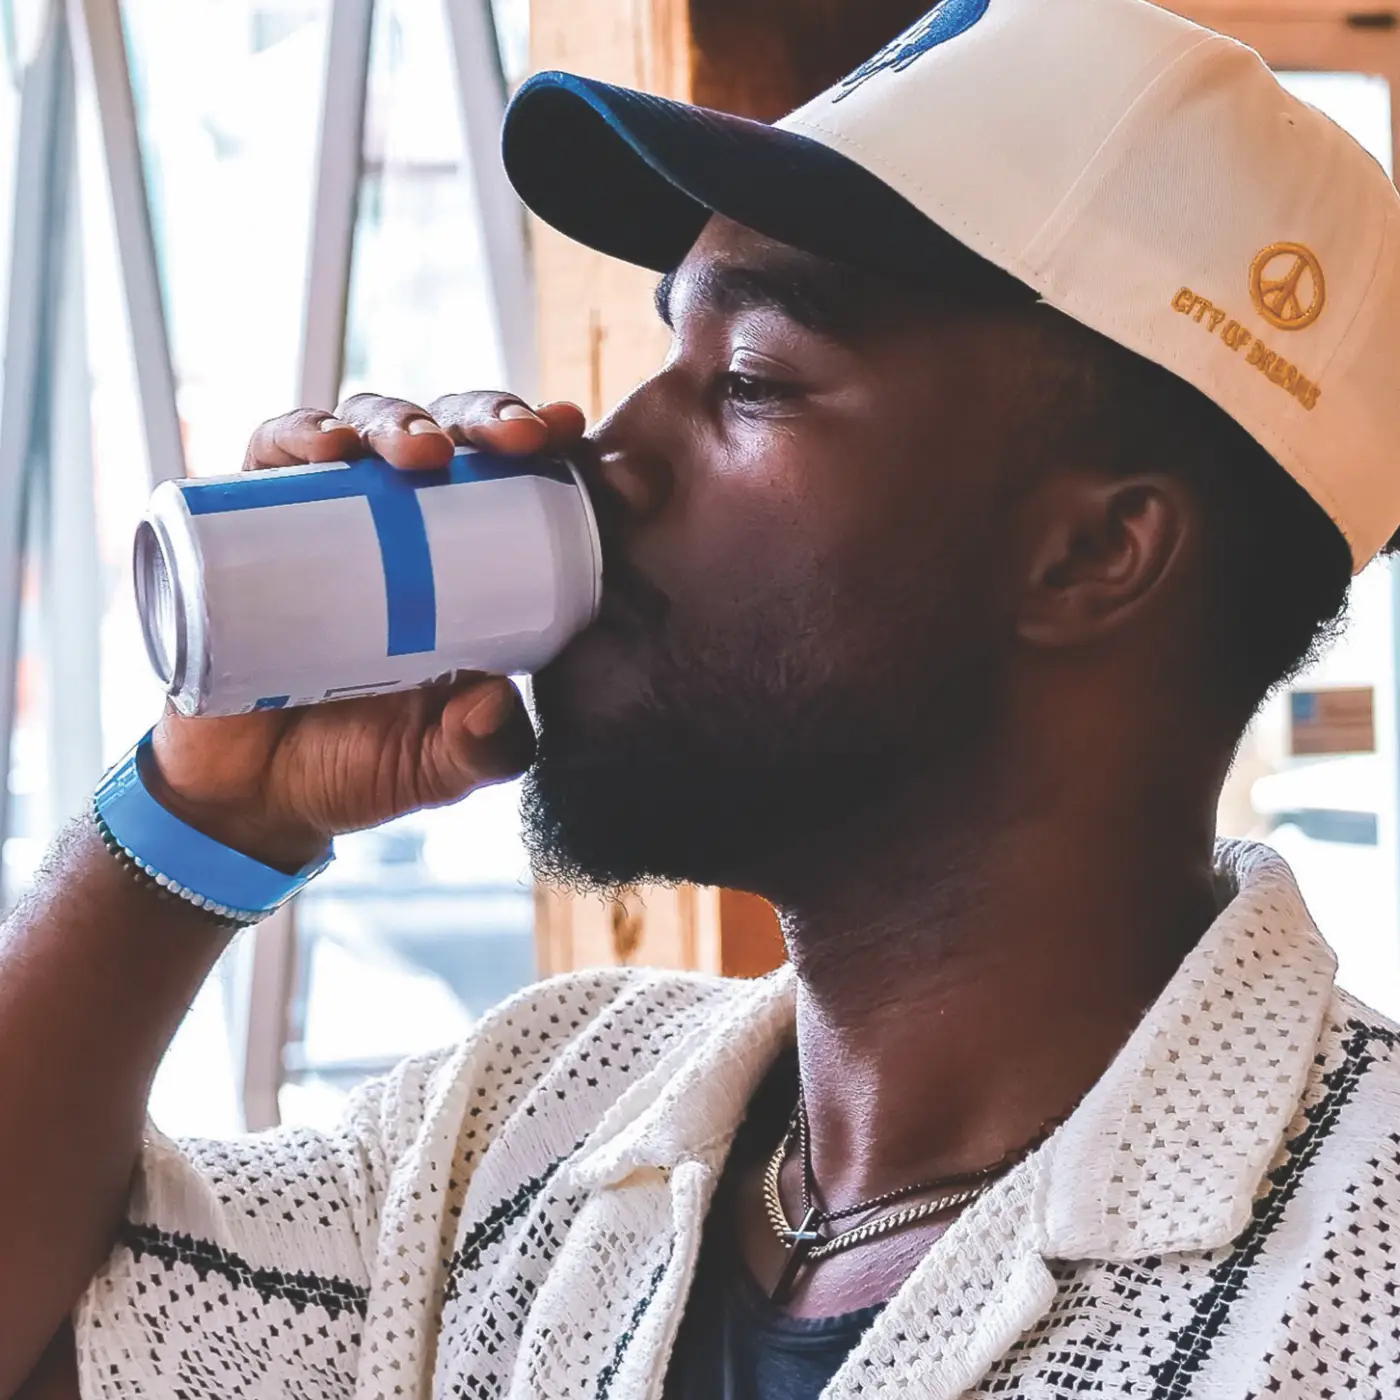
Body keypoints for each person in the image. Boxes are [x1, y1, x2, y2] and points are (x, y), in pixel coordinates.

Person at [4, 0, 1400, 1395]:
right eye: (668, 350)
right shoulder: (530, 1128)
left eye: (751, 381)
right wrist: (197, 824)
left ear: (1093, 553)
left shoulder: (1361, 1278)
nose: (608, 450)